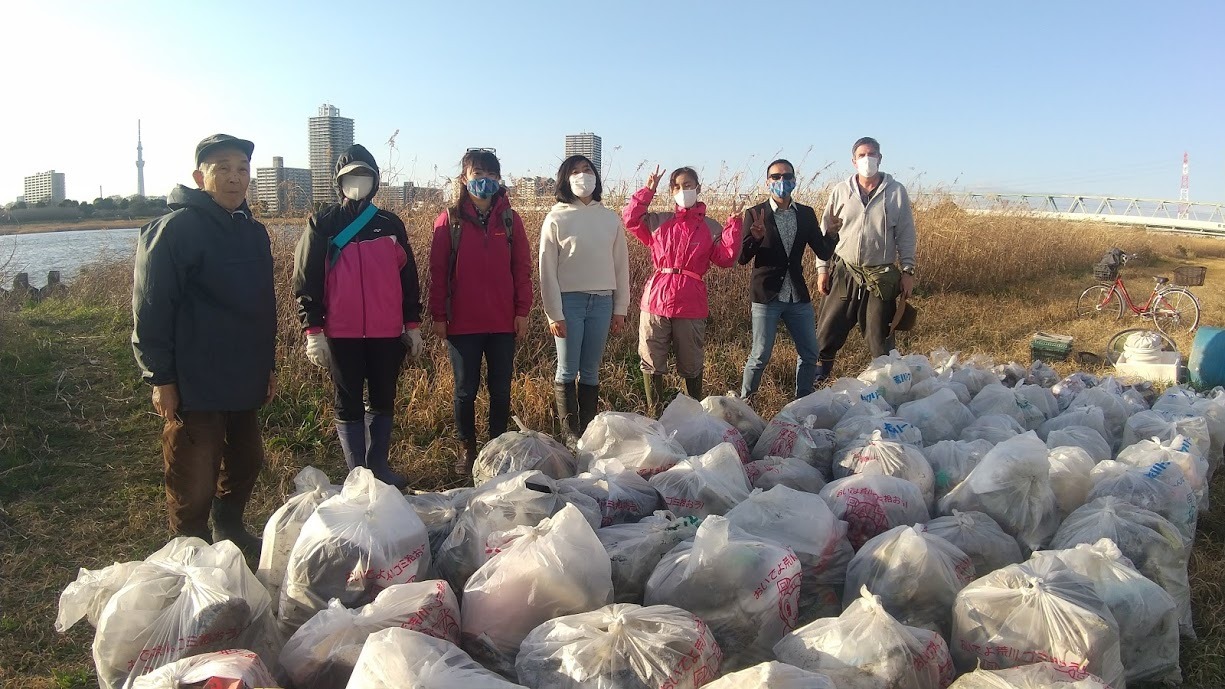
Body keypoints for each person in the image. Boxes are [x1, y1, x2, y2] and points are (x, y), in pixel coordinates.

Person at [131, 134, 275, 556]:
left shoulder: (253, 232)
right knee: (194, 471)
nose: (235, 178)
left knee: (246, 458)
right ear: (200, 176)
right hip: (195, 377)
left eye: (243, 169)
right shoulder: (174, 230)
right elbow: (151, 307)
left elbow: (264, 308)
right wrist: (161, 377)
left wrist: (268, 366)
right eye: (223, 168)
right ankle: (189, 546)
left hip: (243, 372)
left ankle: (228, 525)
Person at [292, 144, 422, 490]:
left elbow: (408, 279)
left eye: (365, 175)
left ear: (375, 180)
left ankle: (379, 468)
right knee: (347, 400)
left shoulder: (390, 224)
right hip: (341, 332)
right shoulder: (324, 223)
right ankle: (357, 473)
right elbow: (308, 280)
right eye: (351, 176)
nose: (358, 181)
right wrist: (313, 331)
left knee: (383, 398)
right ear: (339, 182)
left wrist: (412, 326)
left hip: (385, 332)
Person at [429, 149, 531, 477]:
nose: (483, 181)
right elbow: (438, 271)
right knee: (465, 389)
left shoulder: (510, 220)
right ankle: (467, 448)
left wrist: (522, 311)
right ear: (464, 178)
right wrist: (439, 317)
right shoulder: (450, 220)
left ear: (499, 180)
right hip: (462, 323)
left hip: (502, 321)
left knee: (501, 388)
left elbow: (522, 269)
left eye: (490, 174)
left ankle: (497, 445)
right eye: (477, 174)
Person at [623, 165, 739, 413]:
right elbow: (630, 219)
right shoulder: (658, 221)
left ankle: (694, 415)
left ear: (698, 188)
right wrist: (648, 190)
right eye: (677, 186)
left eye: (688, 185)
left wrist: (733, 225)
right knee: (652, 359)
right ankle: (656, 414)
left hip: (690, 301)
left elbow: (726, 258)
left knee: (691, 362)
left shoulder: (710, 226)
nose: (682, 190)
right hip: (656, 299)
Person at [539, 155, 630, 441]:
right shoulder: (556, 217)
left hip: (602, 302)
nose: (582, 175)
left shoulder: (609, 217)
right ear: (566, 180)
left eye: (587, 170)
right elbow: (546, 268)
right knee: (567, 369)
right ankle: (570, 434)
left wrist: (620, 308)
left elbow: (620, 265)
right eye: (575, 171)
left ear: (596, 177)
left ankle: (588, 433)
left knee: (590, 371)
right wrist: (554, 312)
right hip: (569, 302)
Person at [734, 159, 836, 401]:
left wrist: (832, 233)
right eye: (776, 177)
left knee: (810, 353)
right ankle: (746, 403)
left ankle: (802, 402)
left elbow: (823, 252)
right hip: (766, 295)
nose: (782, 181)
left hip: (796, 294)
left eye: (787, 176)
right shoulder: (755, 213)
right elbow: (742, 258)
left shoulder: (806, 214)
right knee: (760, 355)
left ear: (794, 180)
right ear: (768, 182)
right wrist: (755, 238)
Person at [816, 137, 916, 381]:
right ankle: (819, 374)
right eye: (862, 155)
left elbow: (905, 233)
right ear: (853, 161)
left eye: (872, 154)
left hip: (880, 275)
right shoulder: (840, 191)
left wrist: (907, 271)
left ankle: (886, 380)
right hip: (844, 269)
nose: (867, 159)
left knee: (878, 333)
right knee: (828, 328)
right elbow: (826, 231)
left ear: (880, 159)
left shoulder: (895, 192)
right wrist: (822, 268)